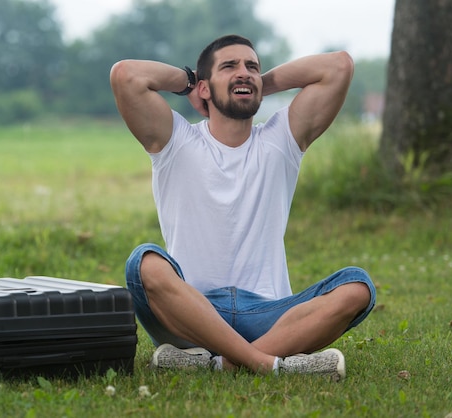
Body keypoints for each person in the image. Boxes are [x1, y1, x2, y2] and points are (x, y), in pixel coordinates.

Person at [110, 34, 376, 381]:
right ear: (204, 89)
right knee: (142, 262)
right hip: (191, 313)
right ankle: (268, 363)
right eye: (230, 66)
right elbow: (126, 76)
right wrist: (190, 80)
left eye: (252, 66)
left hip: (268, 314)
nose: (245, 72)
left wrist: (254, 83)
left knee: (357, 286)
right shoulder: (175, 140)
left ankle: (220, 364)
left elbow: (338, 66)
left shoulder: (281, 140)